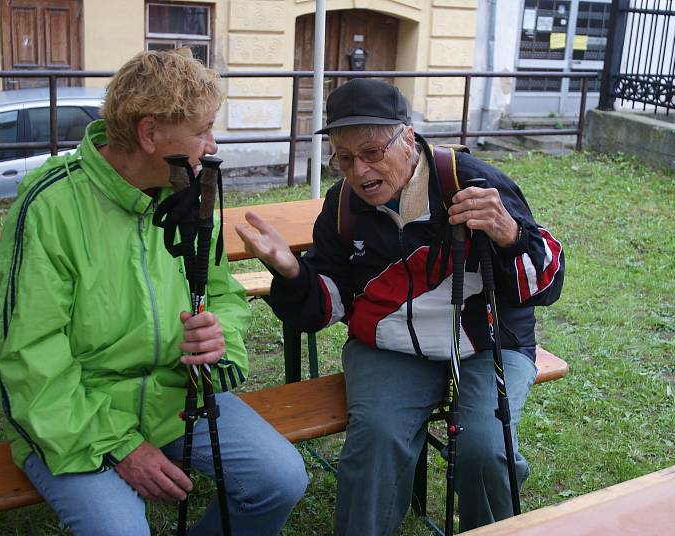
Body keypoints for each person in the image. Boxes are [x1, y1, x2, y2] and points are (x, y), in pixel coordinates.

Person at [0, 49, 307, 536]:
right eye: (202, 130)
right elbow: (29, 358)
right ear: (150, 133)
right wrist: (123, 448)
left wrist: (220, 341)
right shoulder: (49, 208)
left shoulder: (191, 191)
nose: (211, 143)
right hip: (73, 417)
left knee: (280, 479)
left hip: (172, 397)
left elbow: (223, 296)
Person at [236, 78, 565, 534]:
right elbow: (327, 301)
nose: (359, 170)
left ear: (407, 138)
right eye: (344, 158)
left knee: (485, 448)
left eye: (372, 152)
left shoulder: (469, 180)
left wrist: (509, 235)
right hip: (388, 347)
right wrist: (291, 271)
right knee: (374, 443)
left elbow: (547, 281)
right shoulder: (342, 204)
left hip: (485, 341)